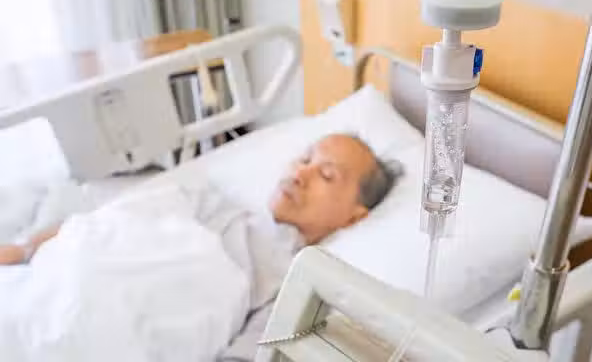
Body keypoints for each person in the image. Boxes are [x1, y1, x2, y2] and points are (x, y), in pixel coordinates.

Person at [0, 134, 398, 266]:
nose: (300, 173)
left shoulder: (285, 288)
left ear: (354, 217)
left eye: (327, 175)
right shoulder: (204, 200)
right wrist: (23, 250)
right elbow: (106, 223)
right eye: (305, 158)